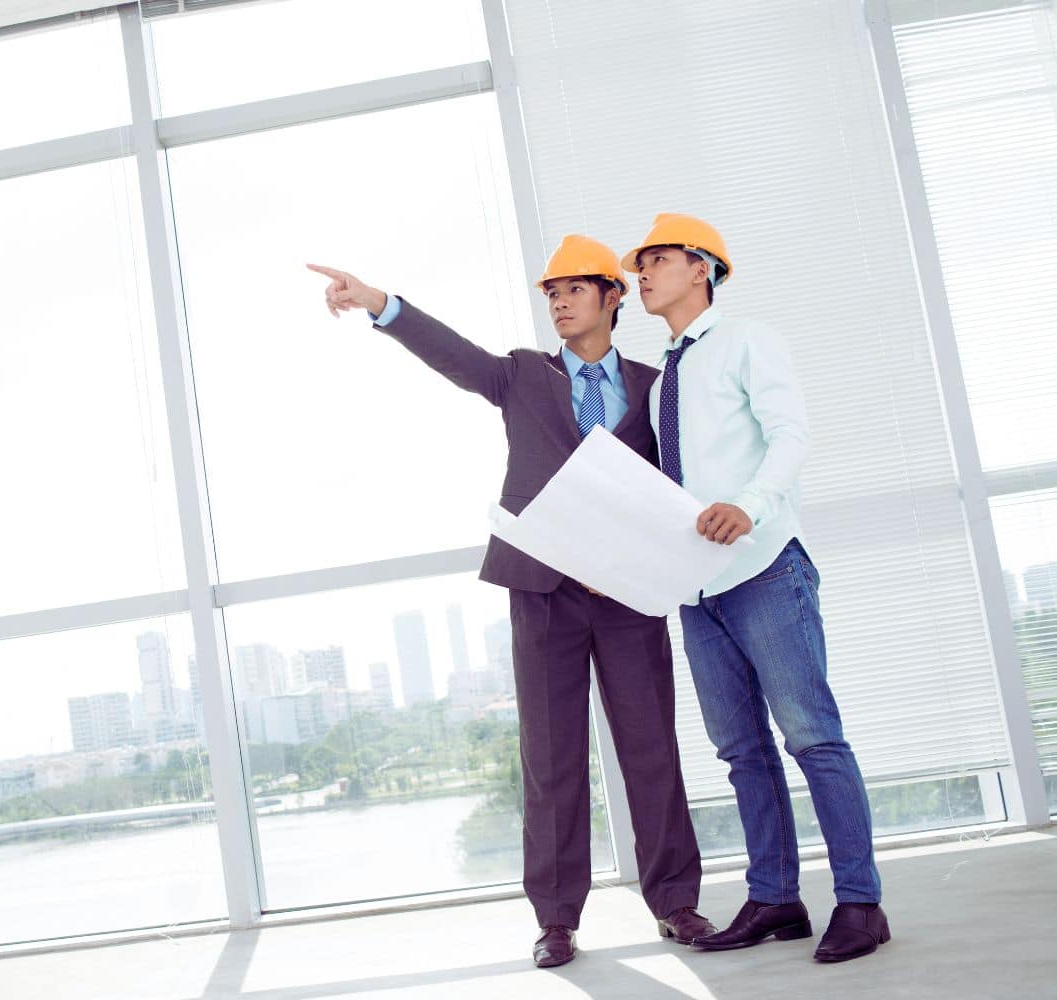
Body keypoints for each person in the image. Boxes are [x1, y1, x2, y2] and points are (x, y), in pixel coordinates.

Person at [307, 236, 711, 970]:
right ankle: (556, 919)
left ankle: (677, 904)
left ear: (612, 296)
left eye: (573, 290)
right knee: (551, 759)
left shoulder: (657, 387)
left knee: (651, 750)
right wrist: (377, 304)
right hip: (543, 593)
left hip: (628, 596)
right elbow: (454, 355)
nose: (557, 302)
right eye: (549, 293)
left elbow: (680, 480)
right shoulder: (523, 376)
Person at [626, 213, 891, 963]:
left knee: (813, 738)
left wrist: (750, 504)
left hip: (766, 569)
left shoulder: (747, 341)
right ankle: (775, 897)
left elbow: (791, 436)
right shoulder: (661, 382)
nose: (641, 274)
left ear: (701, 267)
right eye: (639, 264)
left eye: (657, 260)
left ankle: (861, 903)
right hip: (699, 592)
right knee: (742, 752)